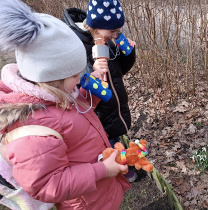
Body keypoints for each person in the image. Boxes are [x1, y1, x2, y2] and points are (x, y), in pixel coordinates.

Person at [0, 0, 130, 209]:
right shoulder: (33, 130)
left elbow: (73, 115)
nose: (80, 79)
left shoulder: (57, 95)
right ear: (52, 78)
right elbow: (47, 184)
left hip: (100, 193)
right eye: (74, 75)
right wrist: (102, 170)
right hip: (86, 202)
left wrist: (90, 94)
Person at [62, 0, 138, 182]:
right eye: (112, 31)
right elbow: (74, 82)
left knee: (115, 135)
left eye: (118, 31)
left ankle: (118, 160)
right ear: (96, 27)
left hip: (114, 104)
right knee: (107, 141)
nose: (115, 35)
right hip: (98, 110)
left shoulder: (108, 41)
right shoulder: (77, 47)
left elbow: (121, 71)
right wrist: (92, 69)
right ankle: (118, 168)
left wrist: (128, 53)